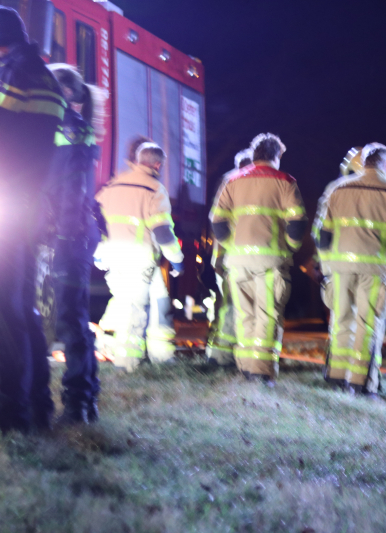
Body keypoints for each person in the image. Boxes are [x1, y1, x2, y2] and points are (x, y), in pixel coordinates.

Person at [313, 143, 386, 396]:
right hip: (376, 272)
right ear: (385, 164)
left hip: (340, 270)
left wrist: (326, 268)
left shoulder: (337, 189)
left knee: (342, 321)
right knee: (368, 326)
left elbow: (322, 235)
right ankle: (362, 384)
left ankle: (336, 377)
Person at [0, 7, 67, 432]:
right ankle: (37, 404)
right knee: (19, 306)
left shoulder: (13, 74)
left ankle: (12, 410)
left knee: (6, 308)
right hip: (24, 204)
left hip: (10, 202)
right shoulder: (38, 74)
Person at [209, 133, 306, 385]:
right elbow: (297, 223)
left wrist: (232, 245)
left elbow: (217, 221)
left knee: (245, 316)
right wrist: (289, 248)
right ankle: (261, 372)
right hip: (270, 261)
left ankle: (245, 368)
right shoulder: (285, 181)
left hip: (238, 262)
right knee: (267, 315)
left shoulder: (232, 180)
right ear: (277, 156)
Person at [45, 63, 106, 423]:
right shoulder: (58, 126)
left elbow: (69, 189)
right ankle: (84, 399)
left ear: (65, 93)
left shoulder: (70, 128)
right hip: (62, 231)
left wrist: (64, 234)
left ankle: (80, 402)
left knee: (70, 318)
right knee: (65, 318)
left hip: (71, 233)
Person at [95, 142, 184, 372]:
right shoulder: (154, 189)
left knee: (158, 300)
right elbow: (162, 231)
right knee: (134, 310)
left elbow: (96, 222)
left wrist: (99, 254)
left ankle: (162, 355)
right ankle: (127, 364)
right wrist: (176, 258)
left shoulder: (112, 186)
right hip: (139, 257)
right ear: (157, 164)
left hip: (114, 256)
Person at [206, 148, 253, 366]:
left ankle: (217, 351)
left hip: (224, 256)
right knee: (234, 305)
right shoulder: (240, 186)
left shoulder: (227, 183)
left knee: (225, 305)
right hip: (236, 257)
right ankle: (224, 355)